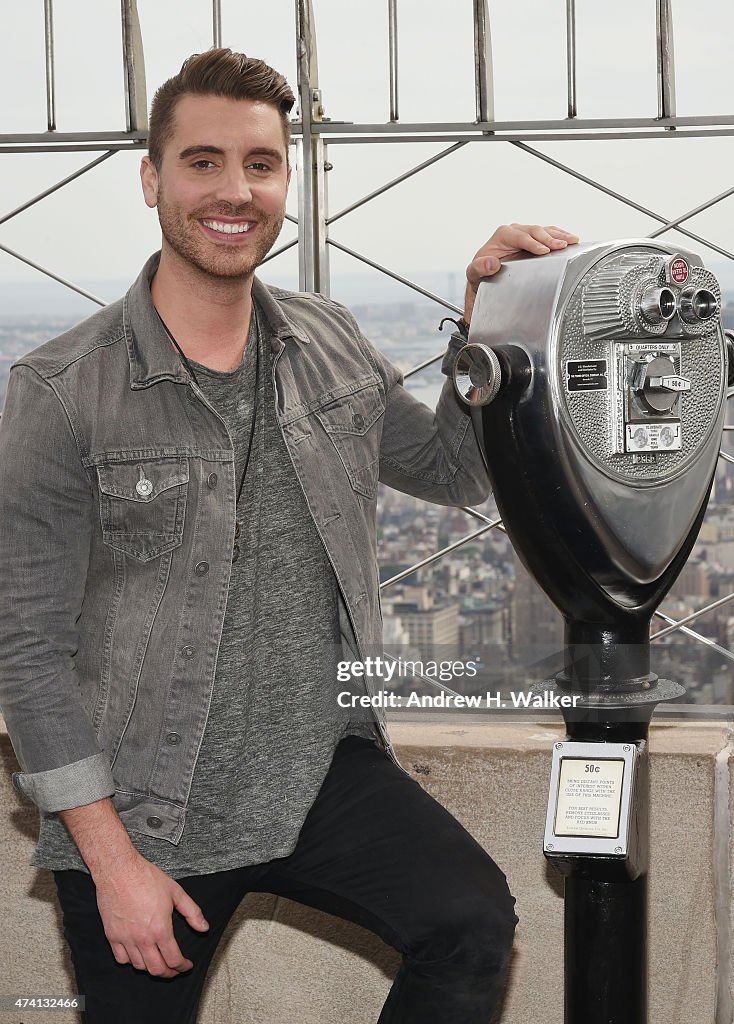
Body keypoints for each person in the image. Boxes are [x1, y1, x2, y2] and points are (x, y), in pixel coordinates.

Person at [0, 48, 577, 1024]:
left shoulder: (331, 340)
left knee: (468, 921)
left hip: (320, 769)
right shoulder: (61, 389)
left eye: (260, 165)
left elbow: (447, 469)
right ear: (152, 178)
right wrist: (111, 864)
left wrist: (488, 313)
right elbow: (25, 648)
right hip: (147, 804)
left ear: (285, 184)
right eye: (203, 161)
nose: (235, 190)